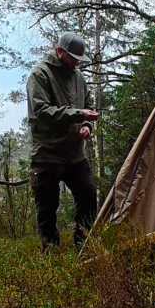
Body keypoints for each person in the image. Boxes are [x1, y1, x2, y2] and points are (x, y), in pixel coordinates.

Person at [26, 33, 100, 250]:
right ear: (59, 52)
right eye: (73, 58)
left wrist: (87, 126)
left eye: (79, 59)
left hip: (74, 154)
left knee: (88, 196)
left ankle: (83, 246)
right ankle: (50, 256)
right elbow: (41, 111)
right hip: (46, 153)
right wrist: (79, 115)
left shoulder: (79, 78)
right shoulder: (40, 75)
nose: (77, 62)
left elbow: (88, 106)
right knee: (47, 209)